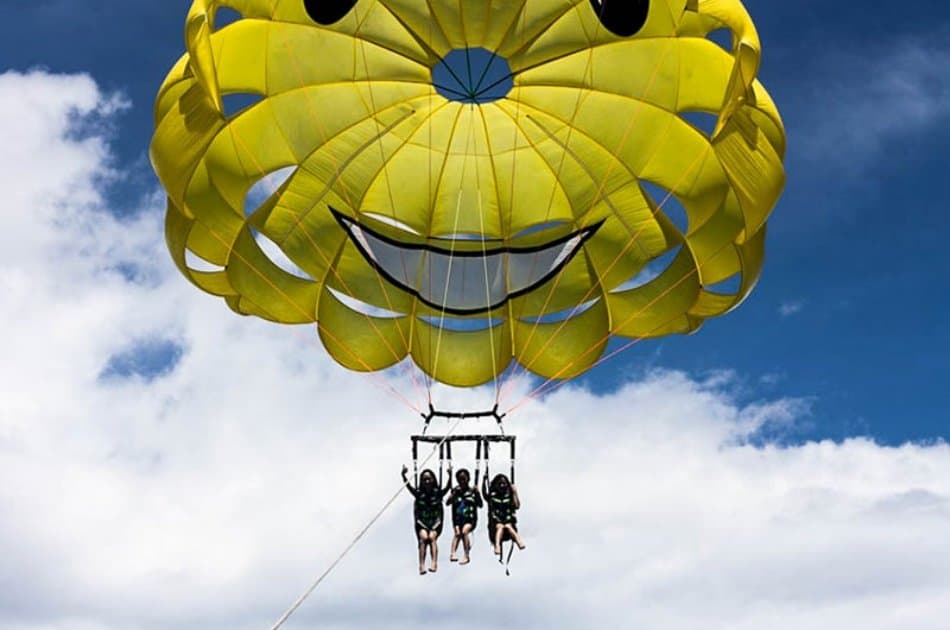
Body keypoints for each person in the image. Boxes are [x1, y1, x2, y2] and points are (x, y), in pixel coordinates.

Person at [402, 465, 451, 574]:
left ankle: (434, 562)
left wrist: (450, 475)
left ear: (433, 480)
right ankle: (422, 565)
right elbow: (408, 487)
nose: (427, 481)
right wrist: (404, 475)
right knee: (423, 538)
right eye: (424, 480)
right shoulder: (419, 494)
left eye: (429, 479)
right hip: (422, 522)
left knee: (432, 537)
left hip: (435, 522)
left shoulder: (438, 493)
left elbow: (448, 487)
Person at [445, 469, 482, 565]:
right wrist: (453, 494)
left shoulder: (472, 491)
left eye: (464, 479)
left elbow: (480, 504)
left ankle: (466, 555)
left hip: (470, 519)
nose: (462, 481)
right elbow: (447, 503)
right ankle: (453, 553)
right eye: (460, 479)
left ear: (468, 479)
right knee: (457, 533)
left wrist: (477, 494)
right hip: (457, 519)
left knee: (464, 532)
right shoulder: (455, 491)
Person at [483, 473, 526, 556]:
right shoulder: (493, 497)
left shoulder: (509, 496)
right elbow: (485, 495)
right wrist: (484, 481)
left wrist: (515, 492)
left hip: (508, 521)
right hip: (497, 522)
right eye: (499, 484)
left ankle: (519, 541)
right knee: (500, 527)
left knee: (508, 526)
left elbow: (517, 506)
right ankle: (497, 545)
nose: (502, 486)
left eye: (504, 484)